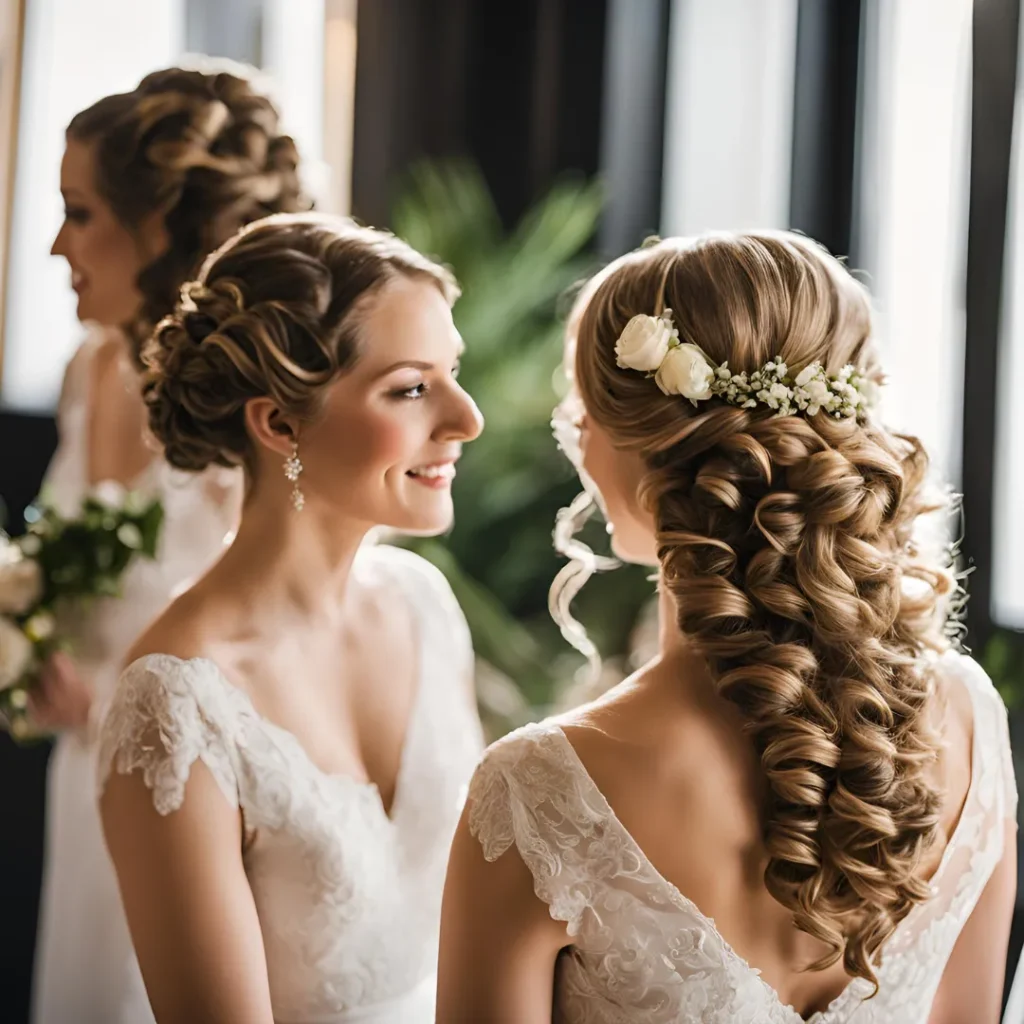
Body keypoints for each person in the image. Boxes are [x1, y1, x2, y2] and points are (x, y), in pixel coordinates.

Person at [438, 231, 1018, 1023]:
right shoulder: (970, 719)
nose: (573, 434)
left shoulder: (537, 793)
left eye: (580, 409)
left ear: (642, 445)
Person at [97, 212, 485, 1023]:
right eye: (411, 388)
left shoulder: (422, 606)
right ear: (279, 423)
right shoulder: (176, 702)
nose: (466, 418)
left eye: (454, 373)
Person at [32, 63, 309, 1024]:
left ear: (156, 229)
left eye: (78, 212)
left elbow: (281, 648)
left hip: (195, 799)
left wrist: (112, 695)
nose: (55, 244)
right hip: (82, 773)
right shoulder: (86, 370)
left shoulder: (245, 422)